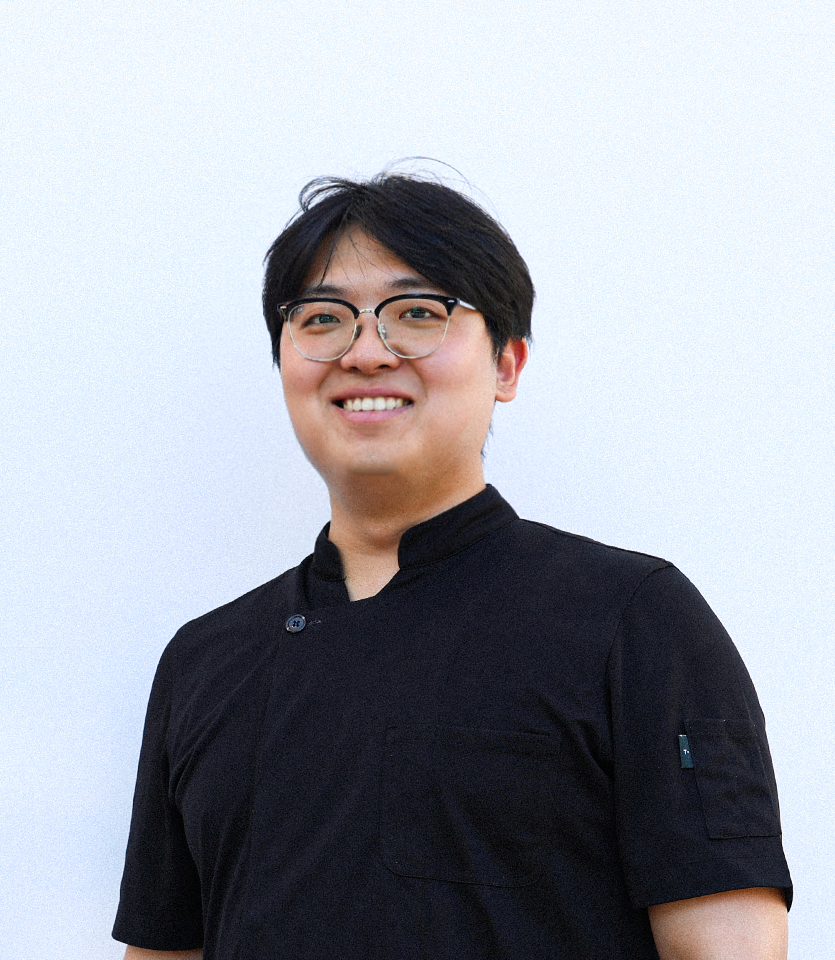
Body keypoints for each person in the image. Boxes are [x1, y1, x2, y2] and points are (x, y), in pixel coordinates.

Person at [113, 172, 791, 959]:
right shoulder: (206, 659)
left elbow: (730, 948)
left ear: (507, 365)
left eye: (417, 314)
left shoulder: (633, 619)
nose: (366, 353)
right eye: (323, 318)